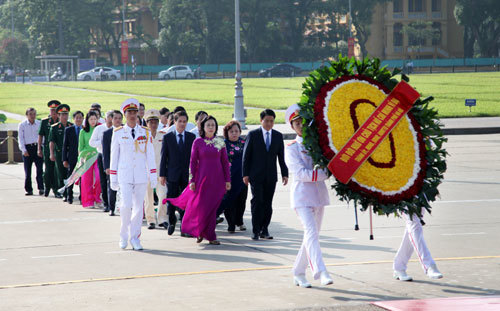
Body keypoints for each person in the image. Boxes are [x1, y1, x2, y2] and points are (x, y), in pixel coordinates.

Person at [284, 104, 333, 288]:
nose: (301, 126)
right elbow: (301, 173)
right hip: (302, 197)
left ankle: (298, 271)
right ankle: (320, 271)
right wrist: (323, 174)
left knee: (311, 236)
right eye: (296, 123)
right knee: (311, 232)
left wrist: (326, 171)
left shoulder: (318, 145)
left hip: (318, 195)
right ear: (292, 126)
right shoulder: (291, 148)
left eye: (303, 122)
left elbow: (328, 167)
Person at [165, 116, 230, 245]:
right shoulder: (198, 142)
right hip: (202, 180)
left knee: (213, 208)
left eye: (213, 125)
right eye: (208, 125)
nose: (211, 127)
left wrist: (227, 180)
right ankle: (199, 231)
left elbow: (225, 162)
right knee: (202, 207)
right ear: (203, 127)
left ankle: (211, 235)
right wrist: (192, 180)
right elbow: (193, 162)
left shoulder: (219, 142)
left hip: (217, 180)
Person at [110, 98, 157, 250]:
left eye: (134, 112)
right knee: (125, 206)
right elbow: (114, 156)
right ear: (124, 114)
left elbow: (150, 154)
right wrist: (113, 177)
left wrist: (153, 175)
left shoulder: (145, 132)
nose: (132, 115)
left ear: (137, 114)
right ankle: (123, 235)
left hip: (141, 175)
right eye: (129, 112)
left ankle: (135, 238)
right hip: (124, 175)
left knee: (138, 208)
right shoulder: (118, 133)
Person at [242, 108, 288, 240]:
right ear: (261, 121)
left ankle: (265, 229)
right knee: (258, 201)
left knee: (268, 203)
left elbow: (281, 157)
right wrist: (245, 174)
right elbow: (246, 156)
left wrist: (285, 173)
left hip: (271, 176)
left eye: (271, 121)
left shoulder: (278, 136)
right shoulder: (253, 135)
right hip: (255, 175)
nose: (269, 123)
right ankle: (255, 230)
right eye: (266, 121)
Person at [159, 110, 196, 236]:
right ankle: (172, 221)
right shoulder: (168, 137)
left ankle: (184, 227)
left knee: (186, 201)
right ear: (174, 122)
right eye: (179, 121)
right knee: (172, 199)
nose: (182, 124)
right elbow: (164, 158)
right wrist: (162, 175)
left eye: (184, 121)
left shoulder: (191, 138)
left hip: (186, 175)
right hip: (172, 174)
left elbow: (194, 158)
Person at [393, 208, 443, 281]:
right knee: (414, 223)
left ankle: (399, 266)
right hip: (403, 199)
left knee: (413, 225)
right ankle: (429, 265)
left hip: (418, 197)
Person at [216, 120, 248, 233]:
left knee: (241, 202)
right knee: (229, 202)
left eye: (236, 131)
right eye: (231, 131)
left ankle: (239, 221)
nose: (234, 133)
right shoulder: (222, 144)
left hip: (243, 178)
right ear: (226, 132)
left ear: (240, 132)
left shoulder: (244, 143)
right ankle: (231, 224)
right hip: (228, 178)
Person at [144, 109, 168, 229]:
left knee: (163, 195)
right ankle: (150, 220)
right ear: (147, 123)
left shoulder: (163, 136)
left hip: (160, 172)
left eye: (155, 122)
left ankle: (162, 218)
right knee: (148, 197)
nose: (153, 125)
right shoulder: (142, 137)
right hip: (146, 171)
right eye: (151, 122)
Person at [89, 110, 114, 211]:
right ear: (105, 118)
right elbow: (92, 142)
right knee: (103, 180)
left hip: (114, 156)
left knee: (112, 180)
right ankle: (106, 203)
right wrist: (104, 142)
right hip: (102, 155)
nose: (111, 119)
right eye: (109, 117)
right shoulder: (99, 128)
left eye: (113, 117)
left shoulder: (117, 129)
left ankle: (113, 203)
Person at [49, 104, 73, 201]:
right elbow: (51, 141)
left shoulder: (71, 126)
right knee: (61, 173)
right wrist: (51, 153)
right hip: (59, 153)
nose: (64, 116)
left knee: (70, 173)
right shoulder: (54, 127)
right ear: (58, 116)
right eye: (62, 114)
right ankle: (62, 192)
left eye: (66, 114)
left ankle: (68, 192)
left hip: (70, 153)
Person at [79, 110, 102, 209]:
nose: (93, 121)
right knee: (86, 180)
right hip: (86, 157)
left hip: (98, 156)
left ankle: (97, 198)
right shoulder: (83, 131)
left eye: (94, 119)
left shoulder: (100, 129)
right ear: (87, 120)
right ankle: (88, 201)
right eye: (91, 119)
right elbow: (80, 147)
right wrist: (80, 160)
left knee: (99, 177)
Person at [18, 108, 43, 196]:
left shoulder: (39, 124)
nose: (32, 116)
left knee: (40, 170)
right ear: (27, 115)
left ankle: (41, 188)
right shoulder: (22, 125)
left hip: (37, 147)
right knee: (28, 171)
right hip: (27, 148)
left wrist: (41, 148)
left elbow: (41, 136)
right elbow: (20, 138)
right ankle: (28, 189)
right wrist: (23, 150)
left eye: (34, 114)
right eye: (30, 114)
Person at [102, 110, 123, 216]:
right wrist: (107, 166)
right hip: (112, 165)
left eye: (120, 118)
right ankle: (112, 207)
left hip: (124, 164)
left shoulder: (126, 131)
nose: (118, 120)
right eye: (115, 118)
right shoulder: (107, 133)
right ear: (111, 119)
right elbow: (105, 152)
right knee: (112, 186)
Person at [38, 100, 60, 197]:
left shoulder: (62, 121)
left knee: (56, 171)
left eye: (55, 110)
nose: (54, 112)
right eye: (52, 110)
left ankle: (56, 190)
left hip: (58, 149)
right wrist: (39, 148)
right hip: (47, 149)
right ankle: (47, 187)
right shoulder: (45, 121)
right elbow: (40, 136)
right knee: (48, 170)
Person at [62, 111, 84, 204]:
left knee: (82, 179)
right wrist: (64, 159)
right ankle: (69, 195)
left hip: (83, 158)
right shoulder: (68, 130)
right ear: (74, 119)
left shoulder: (85, 129)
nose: (78, 119)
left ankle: (82, 197)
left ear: (83, 119)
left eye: (80, 118)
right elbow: (64, 146)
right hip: (72, 158)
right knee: (71, 177)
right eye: (77, 118)